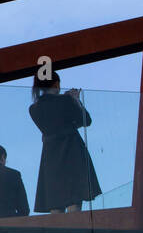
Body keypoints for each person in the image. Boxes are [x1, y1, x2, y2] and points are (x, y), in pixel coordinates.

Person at [28, 72, 102, 212]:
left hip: (50, 158)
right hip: (72, 153)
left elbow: (53, 125)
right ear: (56, 84)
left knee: (55, 204)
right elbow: (85, 120)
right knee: (74, 201)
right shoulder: (66, 101)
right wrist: (75, 99)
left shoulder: (34, 109)